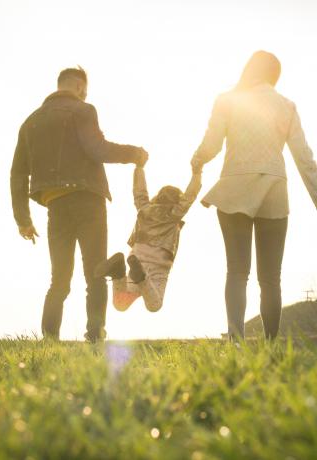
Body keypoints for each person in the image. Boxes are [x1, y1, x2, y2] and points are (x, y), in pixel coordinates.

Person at [191, 51, 317, 339]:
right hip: (274, 192)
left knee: (236, 271)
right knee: (271, 279)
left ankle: (236, 340)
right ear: (275, 76)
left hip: (234, 189)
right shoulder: (287, 106)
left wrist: (197, 161)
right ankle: (270, 344)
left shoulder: (228, 100)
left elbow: (212, 144)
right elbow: (304, 157)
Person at [10, 67, 149, 342]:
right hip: (88, 200)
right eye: (84, 90)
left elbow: (17, 174)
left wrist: (23, 219)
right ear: (77, 86)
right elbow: (97, 149)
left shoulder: (30, 122)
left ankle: (50, 339)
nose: (85, 95)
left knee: (59, 279)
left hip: (56, 205)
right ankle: (95, 335)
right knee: (95, 272)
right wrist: (134, 154)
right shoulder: (83, 111)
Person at [94, 162, 202, 312]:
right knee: (154, 305)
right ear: (177, 200)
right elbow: (190, 196)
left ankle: (118, 271)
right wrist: (197, 174)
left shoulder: (144, 209)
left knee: (120, 304)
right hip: (158, 267)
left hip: (137, 260)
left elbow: (139, 192)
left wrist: (139, 168)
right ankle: (140, 277)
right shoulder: (174, 214)